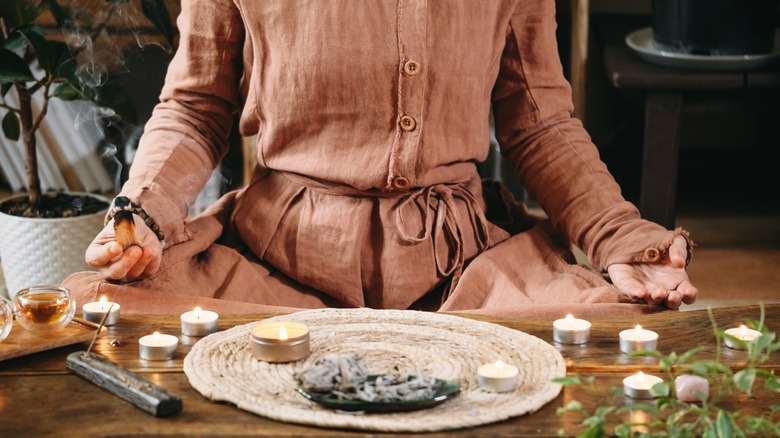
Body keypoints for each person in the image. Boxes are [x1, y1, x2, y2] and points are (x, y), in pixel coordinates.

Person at [65, 1, 698, 318]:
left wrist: (617, 235)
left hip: (465, 268)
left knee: (616, 334)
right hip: (274, 269)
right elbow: (197, 106)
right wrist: (142, 211)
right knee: (101, 314)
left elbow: (538, 121)